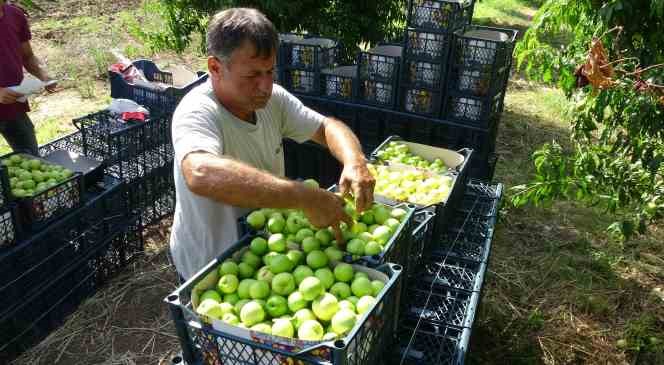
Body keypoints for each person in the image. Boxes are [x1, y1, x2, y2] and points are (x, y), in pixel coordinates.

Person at [170, 8, 375, 281]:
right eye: (252, 75)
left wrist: (354, 161)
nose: (265, 85)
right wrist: (304, 197)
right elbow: (200, 173)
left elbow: (327, 127)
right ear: (215, 68)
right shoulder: (197, 111)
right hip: (211, 266)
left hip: (268, 256)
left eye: (270, 71)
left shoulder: (272, 100)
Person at [0, 0, 57, 155]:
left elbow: (27, 56)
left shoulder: (14, 14)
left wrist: (43, 76)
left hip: (13, 106)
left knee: (30, 156)